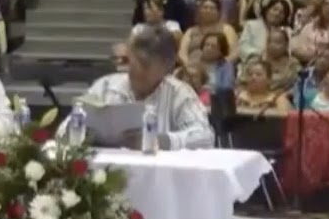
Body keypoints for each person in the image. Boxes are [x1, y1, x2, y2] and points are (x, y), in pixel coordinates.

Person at [60, 26, 214, 151]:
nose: (136, 69)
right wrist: (83, 134)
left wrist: (161, 141)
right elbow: (62, 131)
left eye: (145, 64)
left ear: (167, 66)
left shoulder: (179, 93)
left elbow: (205, 137)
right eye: (133, 61)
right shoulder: (105, 87)